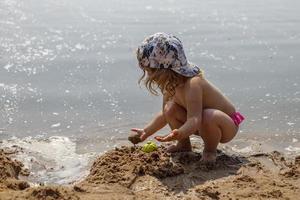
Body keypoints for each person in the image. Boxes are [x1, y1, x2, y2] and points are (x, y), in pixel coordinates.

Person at [131, 32, 244, 163]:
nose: (149, 76)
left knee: (208, 116)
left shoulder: (193, 84)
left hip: (225, 125)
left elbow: (195, 119)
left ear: (165, 70)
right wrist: (147, 131)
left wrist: (180, 131)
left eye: (150, 71)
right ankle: (183, 146)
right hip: (201, 124)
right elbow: (165, 114)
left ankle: (209, 151)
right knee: (170, 109)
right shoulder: (170, 85)